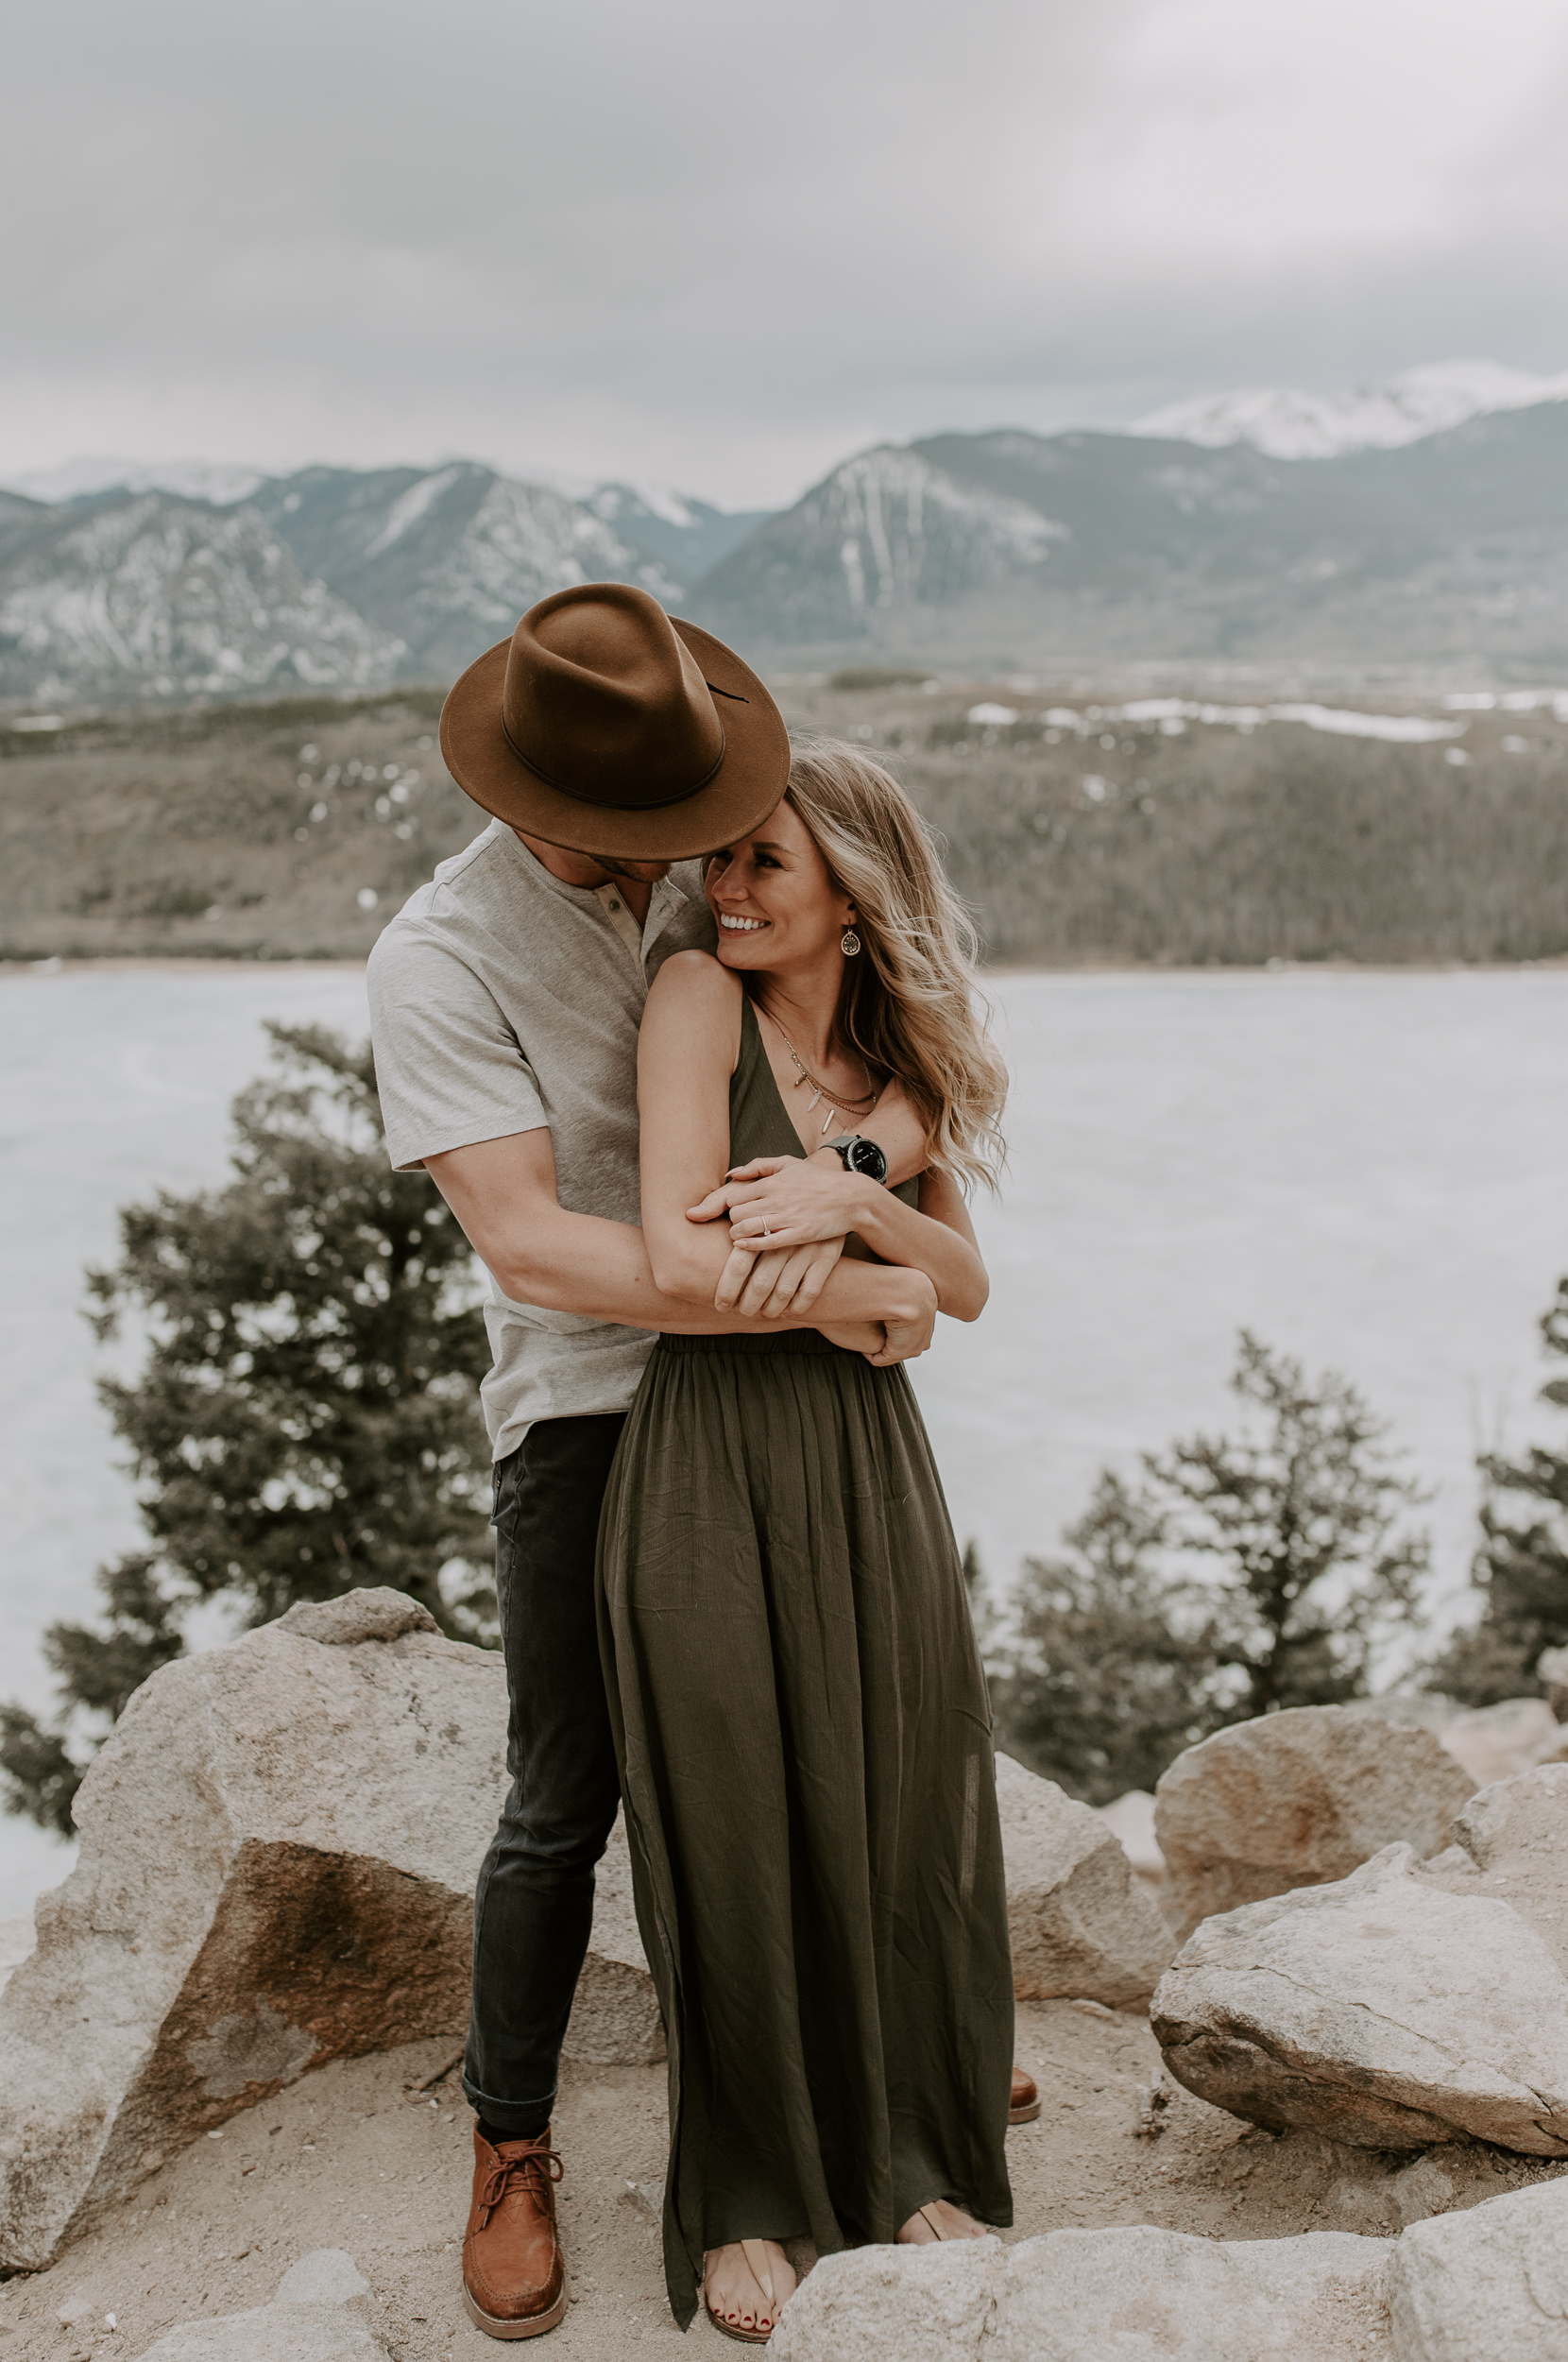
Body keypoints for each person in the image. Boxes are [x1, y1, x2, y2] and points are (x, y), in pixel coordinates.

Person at [366, 583, 941, 2342]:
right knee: (571, 1787)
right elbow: (534, 1248)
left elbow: (885, 1050)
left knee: (829, 1736)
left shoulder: (718, 870)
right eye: (644, 832)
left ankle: (880, 2069)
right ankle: (513, 2137)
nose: (691, 858)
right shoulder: (440, 961)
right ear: (530, 798)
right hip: (593, 1403)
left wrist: (869, 1172)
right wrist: (849, 1296)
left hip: (778, 1398)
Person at [596, 736, 1016, 2341]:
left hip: (865, 1464)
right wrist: (886, 1284)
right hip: (709, 1459)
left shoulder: (899, 1060)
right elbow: (681, 1259)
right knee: (732, 1826)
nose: (729, 887)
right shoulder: (699, 997)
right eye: (723, 860)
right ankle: (750, 2198)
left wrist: (860, 1207)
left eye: (766, 860)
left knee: (900, 1801)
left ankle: (912, 2149)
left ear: (854, 887)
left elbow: (966, 1287)